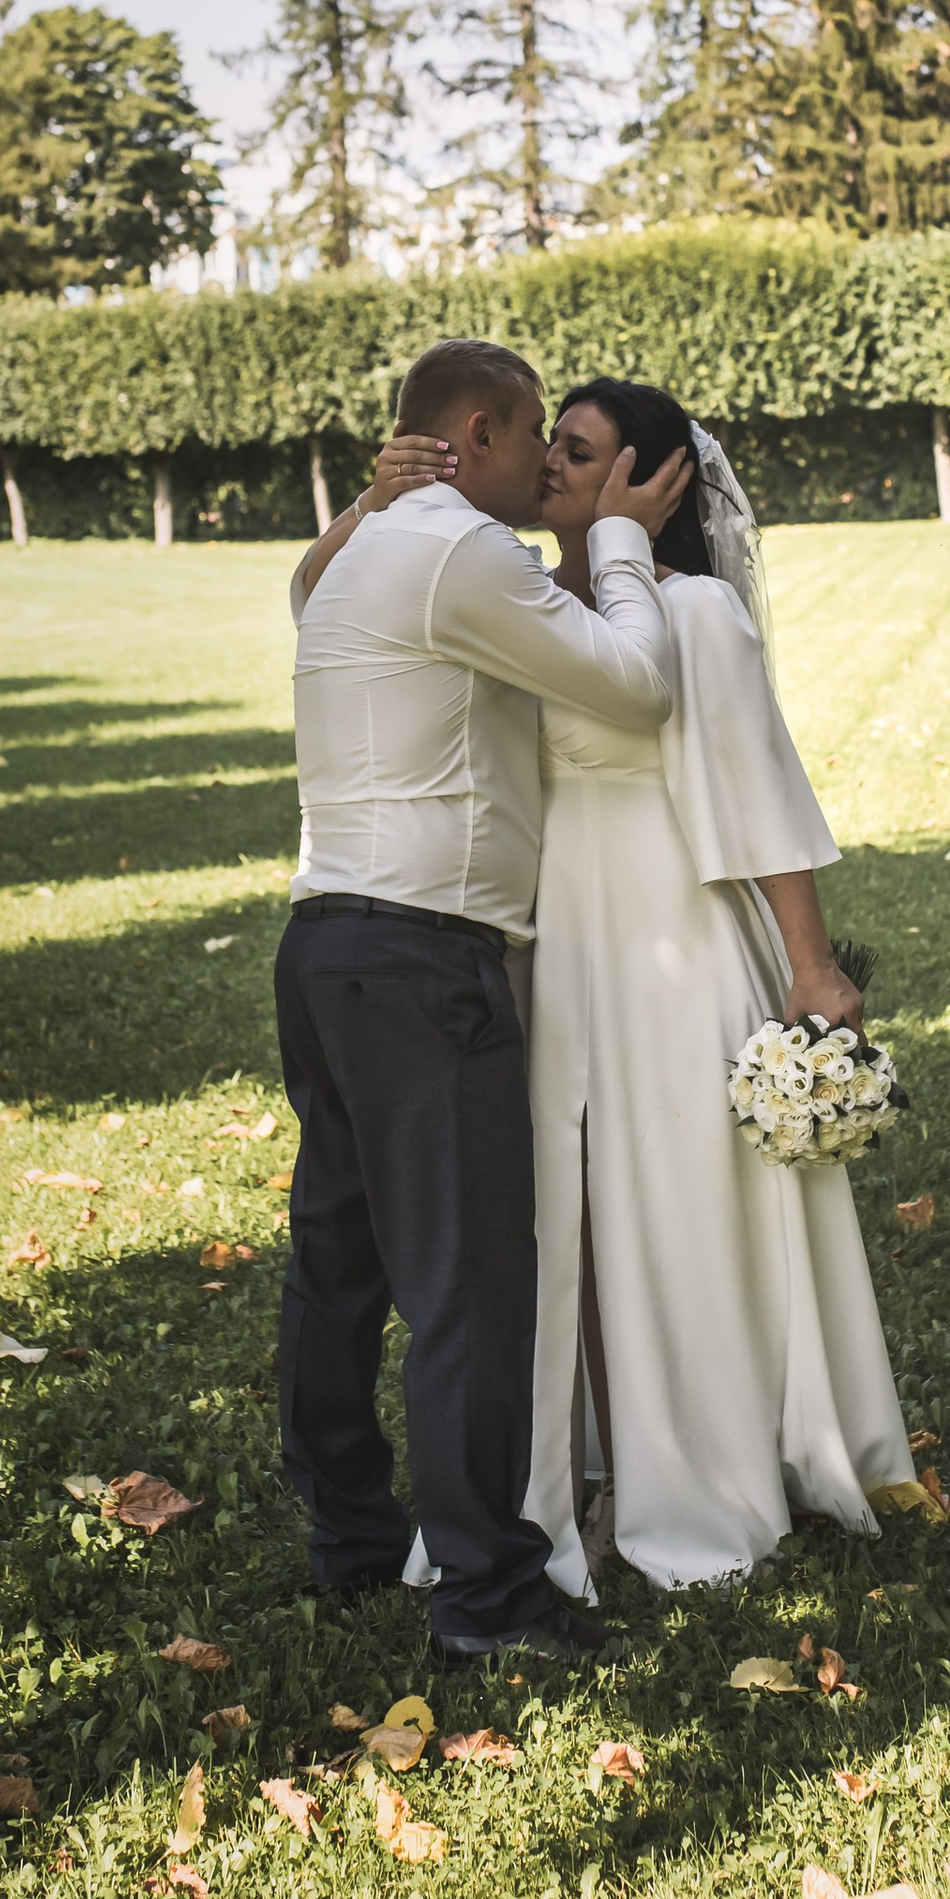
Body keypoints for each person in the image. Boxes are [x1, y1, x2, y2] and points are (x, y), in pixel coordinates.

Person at [297, 373, 914, 1592]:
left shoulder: (690, 614)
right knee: (551, 1216)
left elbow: (761, 793)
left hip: (667, 932)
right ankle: (564, 1465)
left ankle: (695, 1461)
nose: (551, 469)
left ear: (652, 479)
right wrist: (369, 506)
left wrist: (809, 963)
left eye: (579, 453)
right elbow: (324, 604)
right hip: (540, 942)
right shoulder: (517, 592)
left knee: (672, 1203)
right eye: (550, 446)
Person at [277, 334, 691, 1671]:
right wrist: (622, 544)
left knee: (340, 1268)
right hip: (423, 958)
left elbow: (304, 592)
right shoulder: (461, 551)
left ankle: (350, 1543)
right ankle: (487, 1596)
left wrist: (366, 498)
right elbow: (635, 685)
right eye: (531, 440)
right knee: (469, 1284)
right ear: (478, 432)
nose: (541, 466)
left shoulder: (366, 551)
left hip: (324, 943)